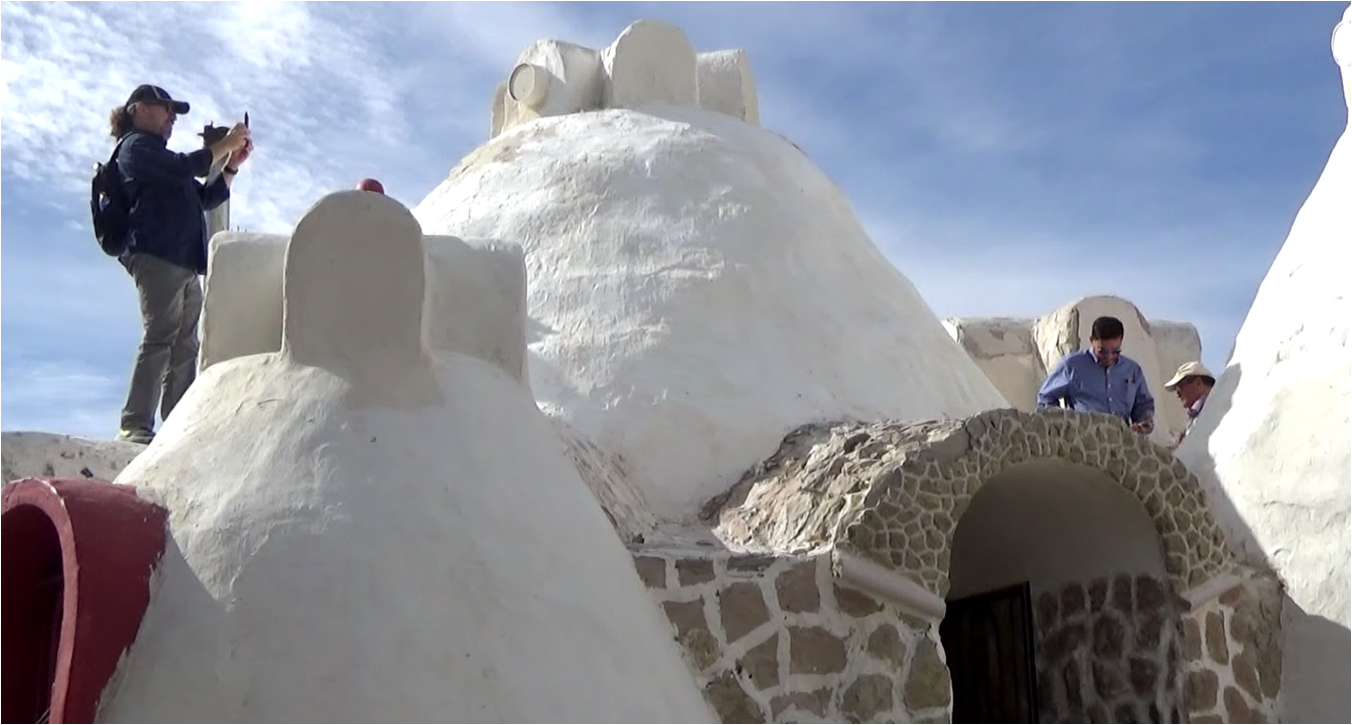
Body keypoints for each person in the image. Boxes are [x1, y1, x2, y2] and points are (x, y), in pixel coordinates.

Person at [107, 84, 253, 444]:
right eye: (166, 108)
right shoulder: (135, 148)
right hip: (157, 255)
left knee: (185, 343)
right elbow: (184, 168)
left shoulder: (161, 159)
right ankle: (134, 423)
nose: (172, 117)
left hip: (182, 260)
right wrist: (224, 145)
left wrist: (230, 166)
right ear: (138, 109)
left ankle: (178, 427)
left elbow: (203, 196)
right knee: (161, 336)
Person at [1036, 315, 1157, 434]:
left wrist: (1144, 423)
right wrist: (1062, 425)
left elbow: (1144, 405)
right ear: (1091, 341)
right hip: (1084, 442)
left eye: (1116, 352)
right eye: (1102, 352)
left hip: (1122, 443)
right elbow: (1045, 397)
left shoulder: (1132, 370)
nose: (1109, 357)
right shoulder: (1072, 366)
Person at [1163, 361, 1216, 445]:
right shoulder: (1199, 413)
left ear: (1198, 383)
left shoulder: (1214, 408)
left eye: (1180, 388)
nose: (1178, 394)